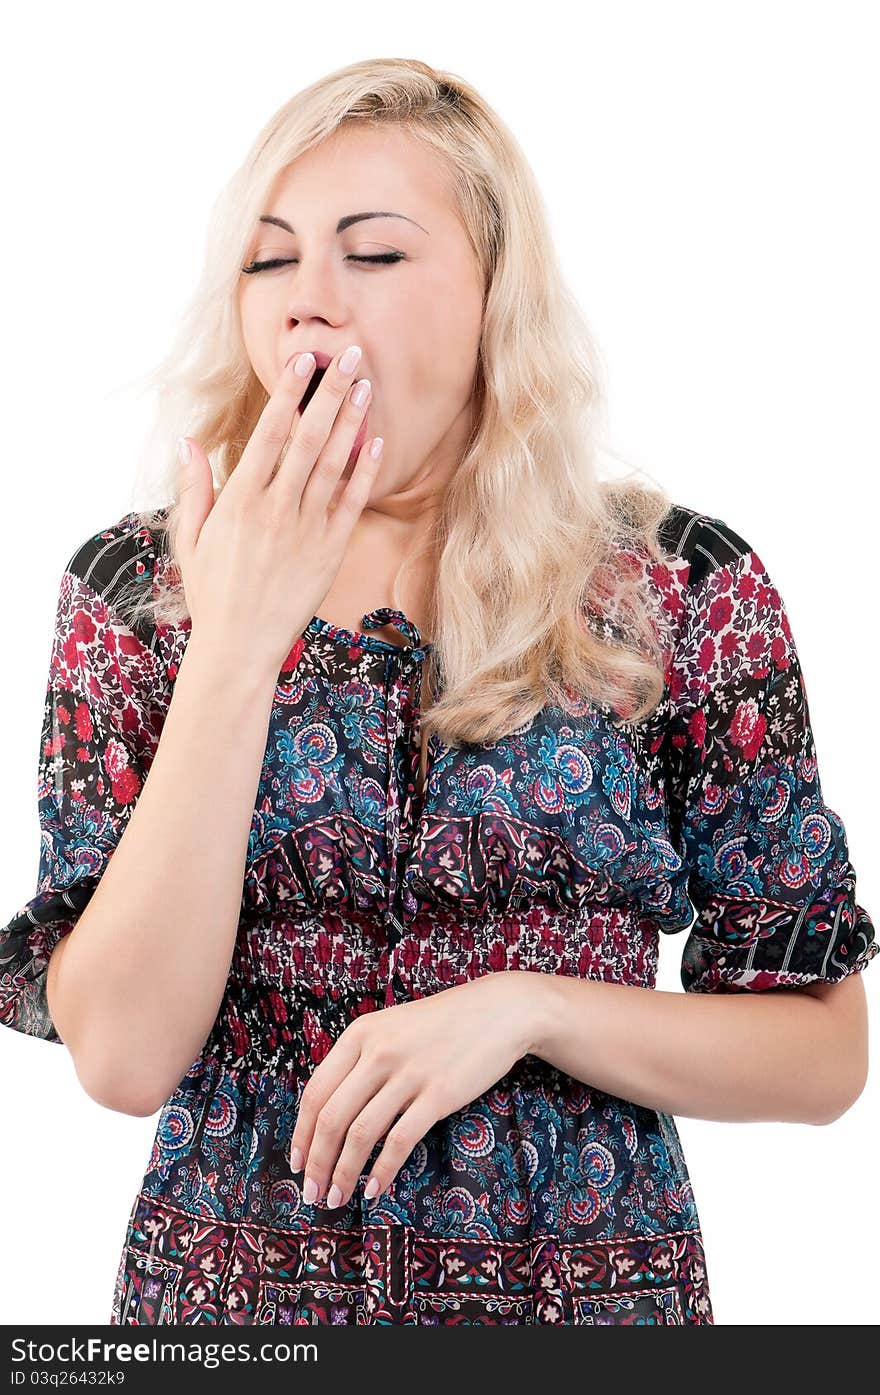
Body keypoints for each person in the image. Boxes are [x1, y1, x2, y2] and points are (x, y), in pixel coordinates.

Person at [0, 58, 874, 1327]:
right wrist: (238, 643)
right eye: (268, 260)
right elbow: (124, 1058)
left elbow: (821, 1056)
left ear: (491, 294)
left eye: (374, 256)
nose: (309, 306)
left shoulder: (676, 589)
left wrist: (530, 1012)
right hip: (235, 1314)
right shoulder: (139, 592)